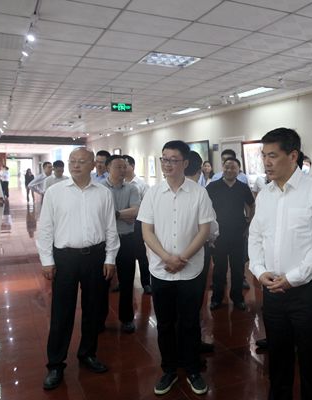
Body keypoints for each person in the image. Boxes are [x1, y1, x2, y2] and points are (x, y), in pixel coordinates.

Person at [249, 127, 312, 400]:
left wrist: (293, 278)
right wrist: (259, 271)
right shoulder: (265, 194)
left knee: (311, 358)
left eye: (273, 155)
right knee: (278, 356)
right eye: (264, 155)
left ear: (293, 155)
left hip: (306, 290)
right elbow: (255, 236)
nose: (266, 162)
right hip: (272, 288)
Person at [36, 147, 119, 390]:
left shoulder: (103, 193)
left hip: (96, 257)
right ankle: (55, 364)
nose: (75, 165)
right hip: (65, 259)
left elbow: (110, 228)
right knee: (62, 312)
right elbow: (45, 228)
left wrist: (110, 258)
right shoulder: (55, 192)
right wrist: (47, 260)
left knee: (94, 310)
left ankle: (88, 354)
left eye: (81, 161)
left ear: (93, 165)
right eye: (72, 161)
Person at [137, 140, 215, 396]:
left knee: (190, 322)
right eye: (164, 159)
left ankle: (192, 369)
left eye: (173, 160)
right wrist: (166, 258)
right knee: (165, 323)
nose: (167, 164)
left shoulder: (199, 193)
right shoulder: (152, 193)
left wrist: (182, 258)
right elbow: (147, 231)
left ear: (185, 163)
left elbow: (204, 230)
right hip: (161, 270)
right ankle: (169, 369)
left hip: (191, 270)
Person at [207, 157, 254, 311]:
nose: (229, 170)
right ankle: (217, 298)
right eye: (226, 167)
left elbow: (251, 205)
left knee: (238, 268)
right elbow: (205, 207)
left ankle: (238, 298)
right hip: (218, 234)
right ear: (222, 168)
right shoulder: (213, 186)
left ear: (238, 170)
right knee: (219, 269)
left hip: (238, 233)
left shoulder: (243, 187)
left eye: (233, 167)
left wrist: (249, 223)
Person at [102, 155, 140, 333]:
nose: (123, 170)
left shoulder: (132, 188)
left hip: (126, 239)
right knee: (102, 282)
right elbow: (100, 215)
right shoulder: (100, 189)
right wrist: (124, 215)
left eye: (125, 167)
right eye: (118, 167)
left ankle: (127, 319)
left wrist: (115, 214)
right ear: (108, 168)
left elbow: (136, 211)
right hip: (105, 241)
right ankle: (99, 319)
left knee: (127, 280)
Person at [185, 150, 218, 354]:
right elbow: (212, 229)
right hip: (198, 251)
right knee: (198, 297)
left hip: (169, 255)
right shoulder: (200, 192)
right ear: (199, 170)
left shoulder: (158, 192)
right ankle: (198, 338)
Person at [123, 155, 151, 294]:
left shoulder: (142, 185)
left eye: (125, 166)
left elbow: (147, 206)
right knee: (124, 255)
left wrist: (134, 217)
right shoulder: (119, 184)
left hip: (137, 224)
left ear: (132, 166)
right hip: (121, 225)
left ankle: (146, 283)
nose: (122, 169)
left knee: (140, 253)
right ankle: (124, 282)